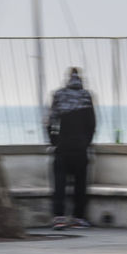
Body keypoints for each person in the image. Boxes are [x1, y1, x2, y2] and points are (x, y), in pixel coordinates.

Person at [46, 68, 97, 228]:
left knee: (59, 184)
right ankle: (78, 218)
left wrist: (54, 142)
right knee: (80, 185)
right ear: (80, 79)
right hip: (80, 148)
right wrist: (86, 142)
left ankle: (59, 217)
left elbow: (51, 122)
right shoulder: (86, 95)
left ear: (68, 79)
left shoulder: (59, 95)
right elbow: (92, 124)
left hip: (62, 146)